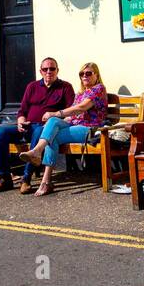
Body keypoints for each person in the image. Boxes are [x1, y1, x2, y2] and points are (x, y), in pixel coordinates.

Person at [19, 62, 109, 196]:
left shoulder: (99, 89)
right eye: (82, 74)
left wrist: (56, 113)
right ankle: (39, 156)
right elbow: (71, 117)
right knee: (53, 124)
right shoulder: (80, 93)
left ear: (96, 75)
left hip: (89, 128)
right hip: (74, 124)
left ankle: (44, 176)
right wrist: (52, 124)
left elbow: (81, 108)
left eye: (88, 73)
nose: (85, 76)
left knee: (53, 130)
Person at [0, 56, 75, 194]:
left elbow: (71, 111)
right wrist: (21, 121)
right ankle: (5, 178)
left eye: (52, 69)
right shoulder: (32, 86)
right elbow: (22, 110)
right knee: (0, 132)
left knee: (39, 130)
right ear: (40, 71)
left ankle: (26, 178)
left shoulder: (65, 87)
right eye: (45, 69)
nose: (48, 72)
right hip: (27, 126)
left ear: (57, 70)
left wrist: (54, 116)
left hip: (46, 129)